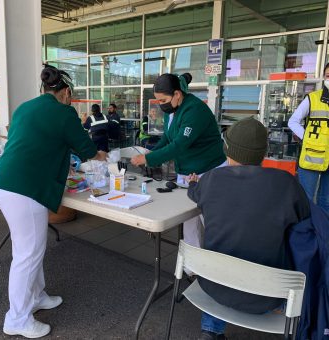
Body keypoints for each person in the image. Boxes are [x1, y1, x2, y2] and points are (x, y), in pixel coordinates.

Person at [0, 65, 107, 339]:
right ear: (65, 92)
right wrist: (101, 155)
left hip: (3, 182)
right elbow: (86, 150)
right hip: (24, 188)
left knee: (30, 249)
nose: (71, 102)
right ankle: (16, 318)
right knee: (27, 255)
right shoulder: (64, 112)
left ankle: (37, 295)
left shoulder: (25, 108)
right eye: (71, 98)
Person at [187, 117, 310, 340]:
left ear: (227, 150)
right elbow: (304, 220)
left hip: (214, 289)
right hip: (270, 296)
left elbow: (195, 194)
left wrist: (194, 183)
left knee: (222, 260)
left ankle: (210, 331)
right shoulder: (287, 184)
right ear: (263, 153)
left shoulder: (211, 179)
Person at [131, 73, 226, 249]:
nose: (161, 105)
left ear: (177, 94)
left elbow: (180, 144)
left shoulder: (195, 110)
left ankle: (218, 264)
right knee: (189, 219)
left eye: (163, 100)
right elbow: (167, 137)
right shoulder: (172, 110)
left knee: (211, 221)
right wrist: (149, 151)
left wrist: (148, 158)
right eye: (158, 101)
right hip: (187, 171)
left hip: (207, 170)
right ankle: (193, 267)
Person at [288, 63, 329, 214]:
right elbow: (293, 122)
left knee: (327, 201)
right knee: (306, 199)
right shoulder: (313, 98)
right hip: (312, 155)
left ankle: (323, 233)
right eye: (328, 75)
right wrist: (308, 138)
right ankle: (305, 232)